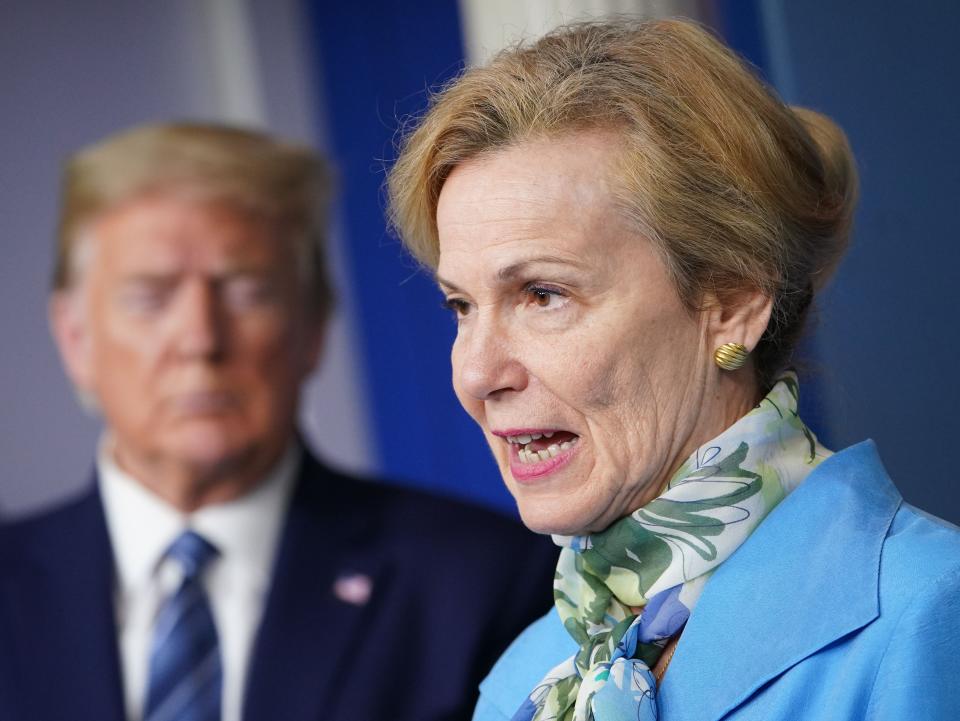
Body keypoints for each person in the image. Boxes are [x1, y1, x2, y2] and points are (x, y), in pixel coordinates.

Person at [387, 18, 960, 721]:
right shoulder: (525, 678)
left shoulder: (930, 610)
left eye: (542, 294)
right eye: (460, 306)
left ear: (735, 301)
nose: (477, 373)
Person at [0, 123, 556, 721]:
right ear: (75, 338)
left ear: (313, 326)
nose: (200, 339)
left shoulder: (480, 582)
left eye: (247, 292)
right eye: (151, 298)